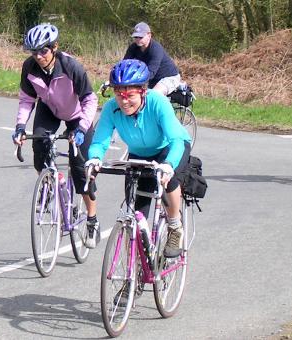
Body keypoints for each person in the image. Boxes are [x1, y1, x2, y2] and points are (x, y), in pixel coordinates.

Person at [86, 59, 192, 257]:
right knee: (135, 215)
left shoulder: (158, 103)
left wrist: (168, 165)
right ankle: (133, 273)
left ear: (143, 91)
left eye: (129, 95)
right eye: (119, 95)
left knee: (167, 180)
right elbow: (100, 142)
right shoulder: (111, 108)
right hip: (139, 154)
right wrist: (94, 159)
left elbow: (176, 139)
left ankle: (175, 226)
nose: (124, 101)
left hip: (168, 148)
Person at [12, 23, 100, 248]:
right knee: (39, 147)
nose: (39, 56)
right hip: (49, 109)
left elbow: (90, 100)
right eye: (34, 52)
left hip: (77, 114)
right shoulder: (29, 67)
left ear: (54, 48)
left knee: (80, 168)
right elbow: (26, 100)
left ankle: (92, 220)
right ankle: (50, 185)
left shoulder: (71, 67)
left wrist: (81, 129)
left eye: (43, 51)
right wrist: (21, 127)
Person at [123, 22, 181, 96]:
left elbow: (151, 73)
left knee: (152, 96)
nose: (138, 39)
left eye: (141, 37)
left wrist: (133, 81)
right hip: (150, 79)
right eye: (136, 37)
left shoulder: (156, 49)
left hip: (169, 78)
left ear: (149, 35)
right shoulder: (133, 48)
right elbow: (124, 66)